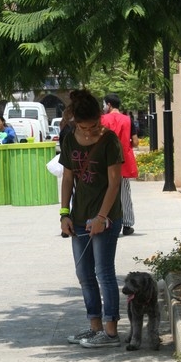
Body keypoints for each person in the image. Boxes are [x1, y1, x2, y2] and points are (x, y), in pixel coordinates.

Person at [59, 89, 123, 348]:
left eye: (95, 124)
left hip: (105, 217)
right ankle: (94, 327)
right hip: (79, 215)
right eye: (85, 127)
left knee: (103, 272)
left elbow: (115, 183)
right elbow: (67, 178)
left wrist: (101, 217)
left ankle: (110, 332)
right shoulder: (70, 139)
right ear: (75, 120)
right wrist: (64, 213)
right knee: (83, 274)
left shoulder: (109, 140)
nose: (91, 131)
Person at [101, 93, 138, 236]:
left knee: (105, 192)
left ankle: (106, 221)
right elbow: (135, 142)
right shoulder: (128, 120)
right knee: (125, 194)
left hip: (105, 162)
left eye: (104, 104)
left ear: (109, 105)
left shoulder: (102, 119)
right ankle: (127, 225)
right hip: (123, 162)